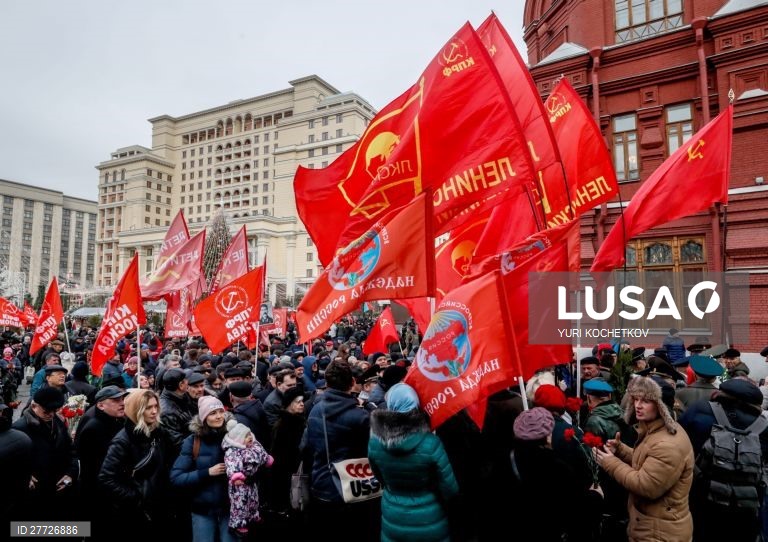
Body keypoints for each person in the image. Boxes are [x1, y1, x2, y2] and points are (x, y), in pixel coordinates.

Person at [595, 376, 694, 541]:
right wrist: (621, 450)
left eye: (646, 401)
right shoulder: (655, 430)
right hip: (651, 526)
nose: (638, 405)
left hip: (659, 533)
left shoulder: (667, 444)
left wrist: (610, 463)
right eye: (636, 399)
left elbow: (646, 486)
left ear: (661, 407)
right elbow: (649, 462)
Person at [679, 378, 768, 542]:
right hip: (745, 507)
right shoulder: (764, 426)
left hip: (702, 498)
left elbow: (678, 444)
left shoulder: (701, 409)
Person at [368, 383, 459, 542]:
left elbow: (379, 476)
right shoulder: (431, 443)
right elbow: (449, 488)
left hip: (393, 511)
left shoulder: (375, 442)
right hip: (430, 516)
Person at [511, 407, 603, 541]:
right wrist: (596, 496)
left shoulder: (503, 462)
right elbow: (576, 511)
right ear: (547, 436)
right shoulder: (556, 469)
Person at [99, 389, 171, 536]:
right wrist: (135, 496)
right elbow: (106, 477)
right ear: (136, 410)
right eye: (148, 408)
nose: (154, 411)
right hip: (135, 511)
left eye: (155, 406)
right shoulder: (123, 440)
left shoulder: (158, 432)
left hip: (159, 503)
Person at [170, 396, 235, 542]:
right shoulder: (193, 441)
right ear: (204, 417)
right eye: (212, 413)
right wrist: (207, 472)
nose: (219, 416)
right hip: (202, 510)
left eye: (220, 411)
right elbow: (176, 477)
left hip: (231, 508)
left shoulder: (235, 435)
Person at [13, 387, 78, 519]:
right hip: (35, 496)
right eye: (46, 411)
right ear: (33, 406)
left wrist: (70, 473)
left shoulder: (57, 421)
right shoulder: (19, 429)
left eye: (54, 411)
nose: (51, 415)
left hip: (59, 488)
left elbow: (71, 451)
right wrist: (22, 476)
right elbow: (10, 462)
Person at [74, 385, 128, 526]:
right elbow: (95, 468)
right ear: (101, 405)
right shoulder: (94, 428)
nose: (122, 403)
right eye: (116, 400)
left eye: (122, 399)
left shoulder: (115, 421)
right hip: (99, 495)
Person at [223, 419, 274, 536]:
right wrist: (236, 475)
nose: (250, 437)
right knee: (239, 504)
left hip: (252, 480)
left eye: (249, 434)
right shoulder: (233, 452)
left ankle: (253, 515)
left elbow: (262, 453)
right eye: (245, 436)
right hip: (239, 484)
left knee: (254, 500)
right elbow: (231, 464)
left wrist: (267, 459)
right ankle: (238, 523)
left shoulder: (255, 446)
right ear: (238, 439)